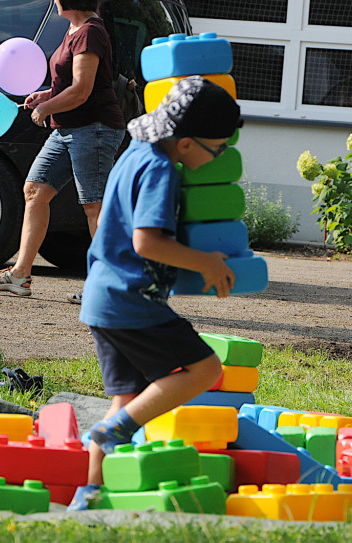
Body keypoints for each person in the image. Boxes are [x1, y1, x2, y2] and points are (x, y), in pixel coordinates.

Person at [67, 76, 241, 511]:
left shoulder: (134, 155)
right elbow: (147, 242)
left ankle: (89, 493)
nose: (218, 156)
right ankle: (116, 430)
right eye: (216, 148)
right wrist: (207, 263)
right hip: (133, 301)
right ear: (184, 144)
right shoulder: (161, 171)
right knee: (205, 369)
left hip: (102, 299)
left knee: (125, 398)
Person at [0, 0, 126, 301]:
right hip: (70, 127)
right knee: (35, 191)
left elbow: (83, 90)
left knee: (94, 207)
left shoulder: (90, 32)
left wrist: (46, 108)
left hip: (94, 128)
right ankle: (20, 275)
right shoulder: (74, 30)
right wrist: (47, 95)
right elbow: (70, 84)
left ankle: (107, 289)